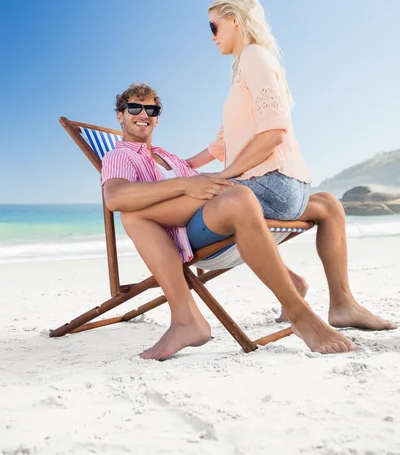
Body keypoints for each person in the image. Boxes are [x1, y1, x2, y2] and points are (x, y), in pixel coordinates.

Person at [101, 83, 394, 361]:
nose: (143, 115)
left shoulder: (168, 157)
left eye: (151, 110)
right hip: (189, 233)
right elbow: (115, 197)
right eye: (134, 108)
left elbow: (206, 164)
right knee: (239, 198)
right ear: (120, 114)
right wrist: (184, 186)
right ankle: (299, 314)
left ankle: (342, 304)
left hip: (215, 214)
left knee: (326, 203)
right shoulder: (120, 155)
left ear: (157, 119)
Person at [186, 0, 397, 331]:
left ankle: (295, 301)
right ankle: (342, 304)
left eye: (214, 26)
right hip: (292, 187)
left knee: (189, 202)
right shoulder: (249, 65)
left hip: (270, 185)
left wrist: (225, 174)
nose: (211, 36)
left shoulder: (254, 57)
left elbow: (273, 134)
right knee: (329, 204)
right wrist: (183, 165)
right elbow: (222, 143)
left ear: (235, 21)